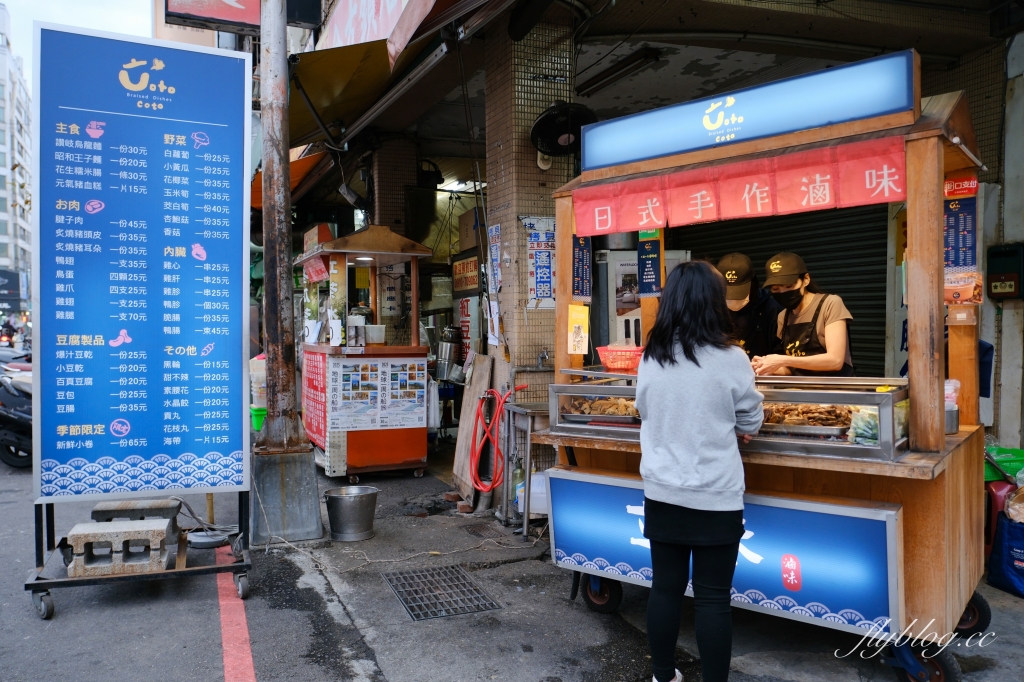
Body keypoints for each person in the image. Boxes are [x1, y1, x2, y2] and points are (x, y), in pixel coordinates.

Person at [636, 261, 764, 682]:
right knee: (713, 599)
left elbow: (643, 409)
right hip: (715, 493)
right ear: (714, 302)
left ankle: (662, 675)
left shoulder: (651, 356)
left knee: (665, 588)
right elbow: (750, 419)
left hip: (662, 491)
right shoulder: (732, 358)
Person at [751, 252, 855, 377]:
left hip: (834, 387)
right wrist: (765, 367)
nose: (783, 292)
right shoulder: (783, 317)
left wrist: (782, 360)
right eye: (775, 289)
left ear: (806, 279)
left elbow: (835, 361)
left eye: (789, 286)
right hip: (801, 388)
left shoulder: (830, 304)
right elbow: (792, 370)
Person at [715, 252, 783, 359]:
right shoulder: (713, 310)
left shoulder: (772, 310)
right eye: (728, 293)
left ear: (753, 283)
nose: (734, 299)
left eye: (739, 293)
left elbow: (781, 354)